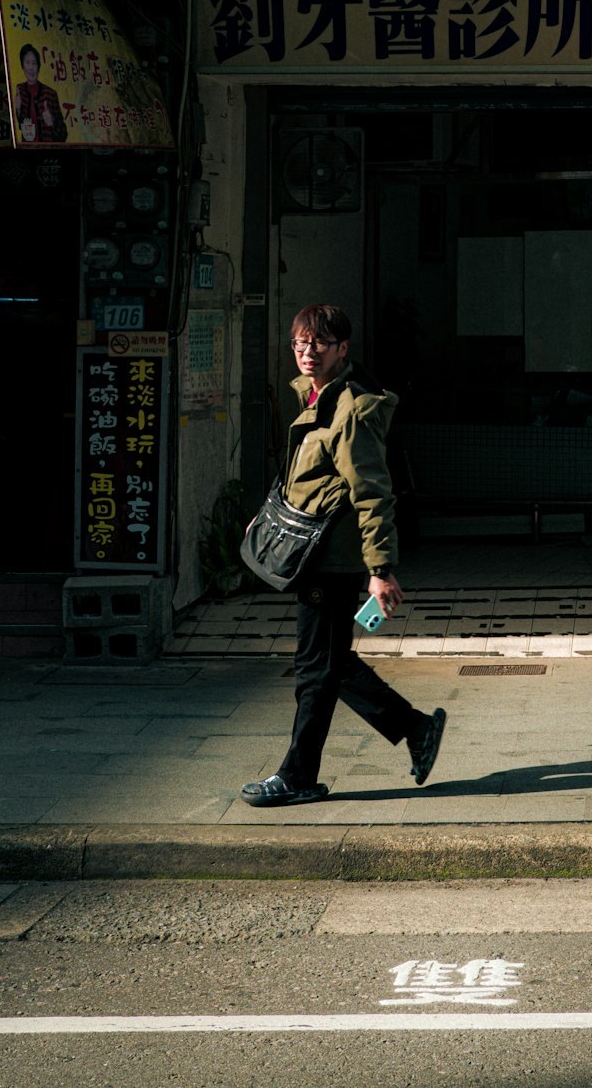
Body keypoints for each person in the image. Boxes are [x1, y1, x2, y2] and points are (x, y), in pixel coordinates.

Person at [241, 302, 446, 808]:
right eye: (299, 343)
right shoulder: (318, 398)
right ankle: (416, 729)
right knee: (330, 662)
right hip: (317, 553)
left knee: (315, 667)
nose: (307, 353)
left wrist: (380, 570)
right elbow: (311, 478)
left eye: (319, 344)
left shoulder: (350, 409)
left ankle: (298, 776)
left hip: (332, 559)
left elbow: (373, 492)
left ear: (342, 349)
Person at [13, 44, 66, 144]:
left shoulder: (50, 93)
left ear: (39, 67)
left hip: (48, 152)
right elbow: (22, 125)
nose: (31, 67)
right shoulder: (20, 90)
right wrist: (18, 109)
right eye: (27, 63)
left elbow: (63, 135)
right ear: (22, 66)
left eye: (34, 63)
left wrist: (52, 123)